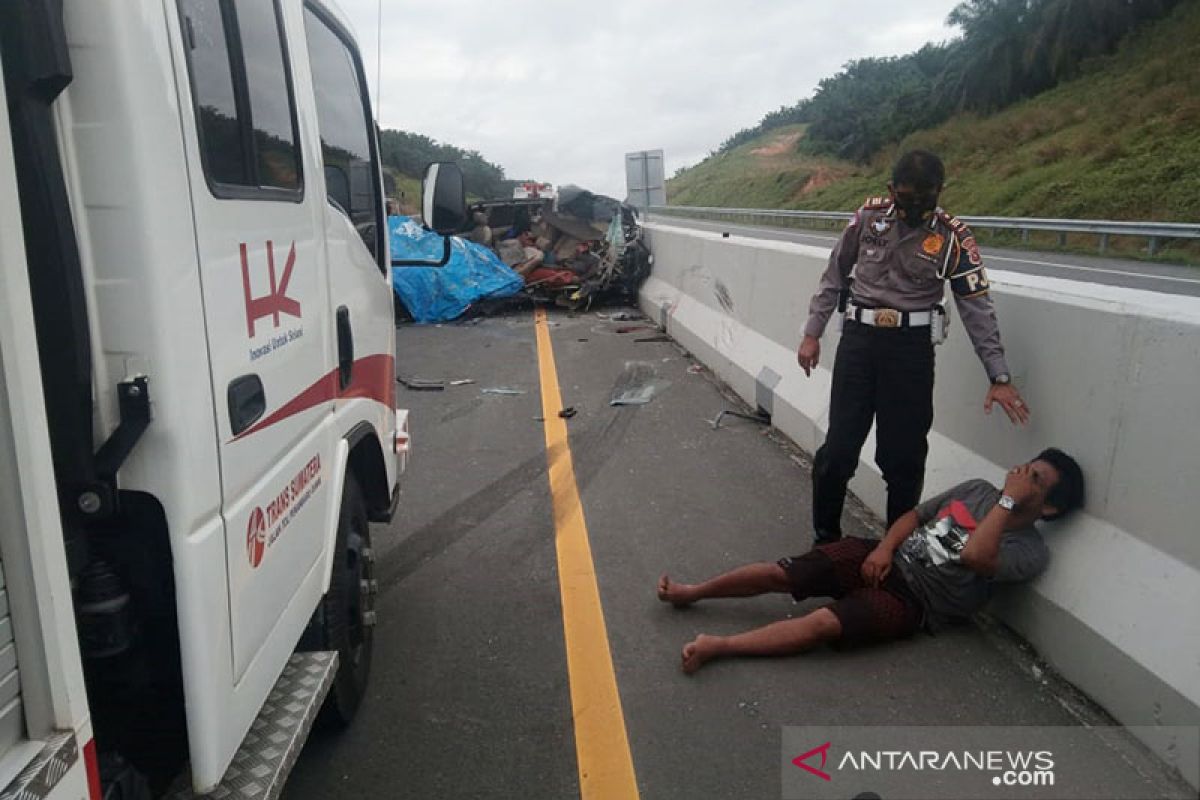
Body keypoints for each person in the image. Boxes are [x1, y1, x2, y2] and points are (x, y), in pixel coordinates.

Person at [656, 448, 1084, 674]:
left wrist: (1008, 500)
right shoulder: (976, 489)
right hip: (886, 559)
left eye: (1034, 480)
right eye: (1026, 468)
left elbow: (975, 555)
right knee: (782, 574)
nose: (1020, 476)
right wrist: (883, 548)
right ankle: (694, 592)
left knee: (823, 623)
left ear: (1048, 509)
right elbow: (915, 516)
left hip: (915, 603)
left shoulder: (1030, 552)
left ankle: (720, 647)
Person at [797, 150, 1030, 544]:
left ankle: (895, 552)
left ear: (940, 191)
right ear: (891, 191)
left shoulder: (954, 236)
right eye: (907, 197)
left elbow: (977, 307)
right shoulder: (869, 218)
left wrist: (999, 375)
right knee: (837, 452)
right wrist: (812, 331)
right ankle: (826, 541)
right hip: (859, 344)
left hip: (910, 352)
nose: (916, 207)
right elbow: (834, 273)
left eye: (927, 197)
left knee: (903, 460)